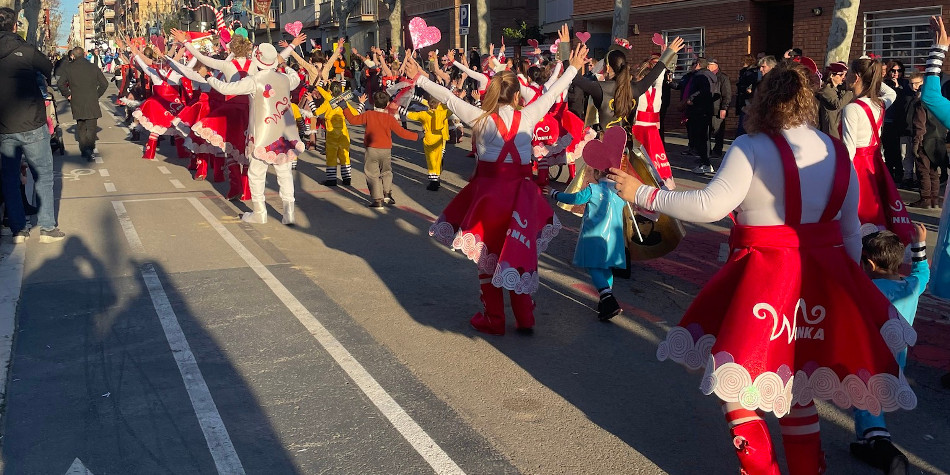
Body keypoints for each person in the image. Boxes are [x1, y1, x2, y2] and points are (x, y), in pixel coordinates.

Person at [608, 61, 917, 474]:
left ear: (763, 99)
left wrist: (643, 193)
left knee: (736, 388)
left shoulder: (752, 147)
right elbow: (849, 232)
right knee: (798, 388)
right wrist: (852, 292)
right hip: (822, 279)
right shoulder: (836, 151)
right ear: (807, 101)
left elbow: (711, 206)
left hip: (763, 279)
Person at [408, 31, 588, 335]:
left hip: (489, 198)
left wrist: (422, 79)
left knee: (487, 256)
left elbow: (450, 100)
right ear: (517, 95)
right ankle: (524, 317)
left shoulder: (481, 119)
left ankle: (493, 317)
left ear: (492, 93)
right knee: (518, 252)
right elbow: (553, 92)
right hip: (521, 197)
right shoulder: (528, 115)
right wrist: (571, 66)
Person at [170, 43, 303, 225]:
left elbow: (226, 89)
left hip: (262, 135)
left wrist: (208, 76)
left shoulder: (254, 80)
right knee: (285, 173)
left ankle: (260, 213)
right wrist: (284, 65)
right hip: (285, 135)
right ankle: (289, 214)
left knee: (257, 173)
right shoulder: (286, 79)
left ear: (257, 57)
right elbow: (296, 77)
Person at [850, 225, 929, 473]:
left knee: (864, 399)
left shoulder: (868, 289)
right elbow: (922, 272)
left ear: (870, 265)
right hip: (897, 362)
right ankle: (869, 440)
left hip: (869, 359)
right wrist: (920, 245)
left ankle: (881, 445)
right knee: (874, 399)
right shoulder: (912, 286)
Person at [0, 7, 64, 243]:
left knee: (9, 178)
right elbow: (50, 70)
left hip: (4, 126)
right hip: (33, 122)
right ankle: (47, 228)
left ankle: (18, 229)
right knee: (43, 175)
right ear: (15, 25)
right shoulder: (26, 50)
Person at [840, 58, 914, 244]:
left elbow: (848, 149)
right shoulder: (879, 104)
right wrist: (873, 77)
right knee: (875, 208)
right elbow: (891, 93)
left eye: (848, 73)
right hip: (874, 163)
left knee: (858, 214)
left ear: (856, 77)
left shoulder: (852, 108)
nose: (845, 76)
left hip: (858, 164)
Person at [545, 166, 626, 320]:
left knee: (593, 267)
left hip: (595, 235)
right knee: (607, 268)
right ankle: (605, 300)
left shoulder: (593, 190)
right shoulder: (619, 193)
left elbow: (573, 199)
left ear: (596, 173)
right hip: (614, 238)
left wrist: (553, 193)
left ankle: (608, 300)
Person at [342, 91, 419, 208]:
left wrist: (345, 107)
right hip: (386, 148)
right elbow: (402, 133)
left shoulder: (369, 115)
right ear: (387, 104)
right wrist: (417, 136)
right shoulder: (390, 118)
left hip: (371, 148)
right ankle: (387, 193)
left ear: (373, 103)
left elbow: (353, 120)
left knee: (372, 173)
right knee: (387, 171)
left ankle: (378, 199)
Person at [56, 46, 108, 161]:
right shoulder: (93, 67)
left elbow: (60, 83)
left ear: (73, 55)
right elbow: (104, 83)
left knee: (81, 125)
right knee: (92, 127)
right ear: (84, 54)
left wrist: (68, 94)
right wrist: (97, 94)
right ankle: (89, 148)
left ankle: (85, 149)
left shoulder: (69, 68)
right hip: (91, 100)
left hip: (77, 100)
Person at [908, 72, 946, 209]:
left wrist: (916, 142)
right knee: (934, 172)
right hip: (937, 140)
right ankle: (934, 200)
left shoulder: (921, 103)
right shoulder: (937, 101)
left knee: (923, 171)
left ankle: (925, 199)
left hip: (925, 140)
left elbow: (920, 124)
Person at [406, 95, 453, 190]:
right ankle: (437, 176)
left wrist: (398, 107)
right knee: (438, 158)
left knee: (430, 159)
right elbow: (454, 109)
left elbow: (409, 114)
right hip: (440, 136)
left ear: (429, 103)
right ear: (439, 102)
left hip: (428, 137)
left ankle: (433, 180)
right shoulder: (443, 111)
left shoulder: (424, 114)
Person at [882, 60, 913, 183]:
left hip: (901, 121)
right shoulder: (884, 84)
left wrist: (897, 88)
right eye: (893, 70)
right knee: (889, 149)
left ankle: (901, 174)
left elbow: (906, 100)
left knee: (902, 151)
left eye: (899, 71)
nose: (896, 73)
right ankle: (890, 174)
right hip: (888, 121)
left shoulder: (905, 84)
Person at [817, 61, 853, 139]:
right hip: (831, 127)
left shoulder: (837, 89)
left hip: (838, 125)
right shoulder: (826, 89)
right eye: (841, 75)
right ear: (832, 75)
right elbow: (837, 104)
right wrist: (850, 91)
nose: (843, 78)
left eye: (845, 75)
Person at [707, 58, 732, 158]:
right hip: (708, 109)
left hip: (717, 109)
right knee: (707, 132)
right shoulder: (707, 76)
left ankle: (718, 150)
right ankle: (707, 151)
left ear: (715, 66)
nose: (707, 67)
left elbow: (727, 94)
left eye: (709, 65)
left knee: (718, 132)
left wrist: (724, 108)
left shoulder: (723, 78)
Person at [734, 54, 758, 137]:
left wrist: (748, 90)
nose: (741, 62)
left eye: (743, 61)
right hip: (743, 99)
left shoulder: (753, 72)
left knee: (743, 123)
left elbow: (754, 84)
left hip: (747, 99)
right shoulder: (744, 71)